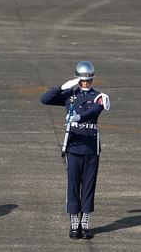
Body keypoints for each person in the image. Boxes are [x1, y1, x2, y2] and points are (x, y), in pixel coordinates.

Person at [40, 61, 110, 239]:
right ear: (77, 79)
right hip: (73, 146)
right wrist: (63, 86)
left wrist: (78, 117)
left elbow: (94, 111)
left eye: (88, 80)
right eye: (82, 80)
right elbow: (45, 99)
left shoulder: (98, 96)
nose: (85, 83)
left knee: (88, 186)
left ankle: (85, 222)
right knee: (72, 186)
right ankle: (73, 223)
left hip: (90, 147)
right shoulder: (70, 94)